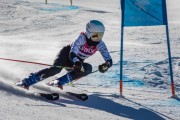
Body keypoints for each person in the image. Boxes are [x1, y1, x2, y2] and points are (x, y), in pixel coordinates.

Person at [16, 20, 113, 90]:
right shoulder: (82, 38)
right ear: (88, 33)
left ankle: (58, 82)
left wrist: (106, 65)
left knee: (88, 68)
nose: (98, 38)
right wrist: (77, 62)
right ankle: (27, 81)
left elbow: (108, 59)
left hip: (76, 61)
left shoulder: (100, 44)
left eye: (100, 35)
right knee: (55, 69)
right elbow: (72, 52)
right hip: (66, 54)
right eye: (95, 35)